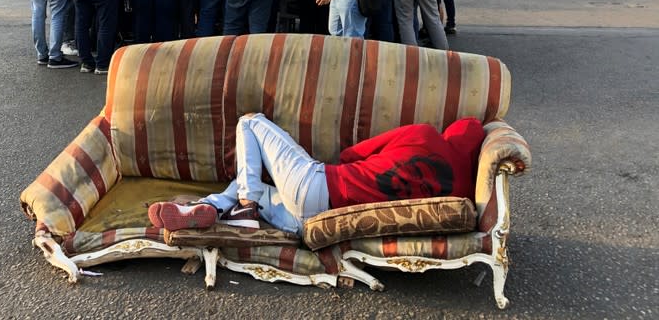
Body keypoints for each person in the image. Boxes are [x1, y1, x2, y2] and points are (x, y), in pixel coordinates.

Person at [147, 113, 484, 235]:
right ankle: (213, 206)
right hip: (315, 226)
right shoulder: (464, 191)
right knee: (253, 182)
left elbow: (352, 154)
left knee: (250, 122)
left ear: (451, 133)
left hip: (319, 186)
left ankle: (245, 205)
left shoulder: (425, 134)